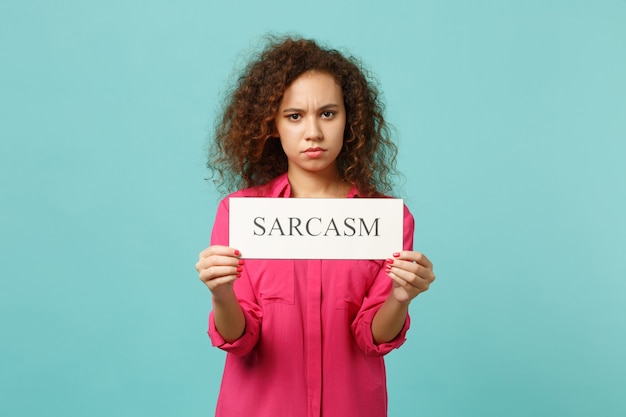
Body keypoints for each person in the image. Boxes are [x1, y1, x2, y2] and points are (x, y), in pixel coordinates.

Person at [195, 36, 435, 417]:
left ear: (349, 120)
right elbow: (240, 340)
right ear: (272, 124)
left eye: (327, 113)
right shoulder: (239, 213)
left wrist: (400, 299)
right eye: (294, 116)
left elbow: (372, 337)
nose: (313, 133)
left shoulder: (387, 219)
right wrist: (221, 294)